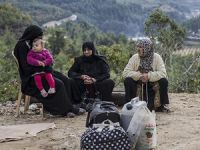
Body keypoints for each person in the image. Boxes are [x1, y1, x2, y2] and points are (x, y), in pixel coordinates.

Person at [14, 25, 85, 117]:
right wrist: (43, 67)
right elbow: (26, 67)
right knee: (58, 83)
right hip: (32, 76)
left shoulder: (30, 42)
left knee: (65, 79)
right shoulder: (21, 46)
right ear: (33, 34)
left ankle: (71, 105)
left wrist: (47, 64)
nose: (40, 38)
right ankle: (66, 110)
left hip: (42, 71)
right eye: (38, 35)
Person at [122, 38, 170, 112]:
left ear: (147, 48)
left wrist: (148, 76)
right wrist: (139, 76)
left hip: (152, 84)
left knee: (164, 81)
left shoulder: (157, 57)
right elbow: (125, 73)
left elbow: (163, 73)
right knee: (128, 80)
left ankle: (162, 105)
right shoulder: (135, 57)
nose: (138, 49)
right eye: (138, 47)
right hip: (138, 83)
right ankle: (130, 105)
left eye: (141, 47)